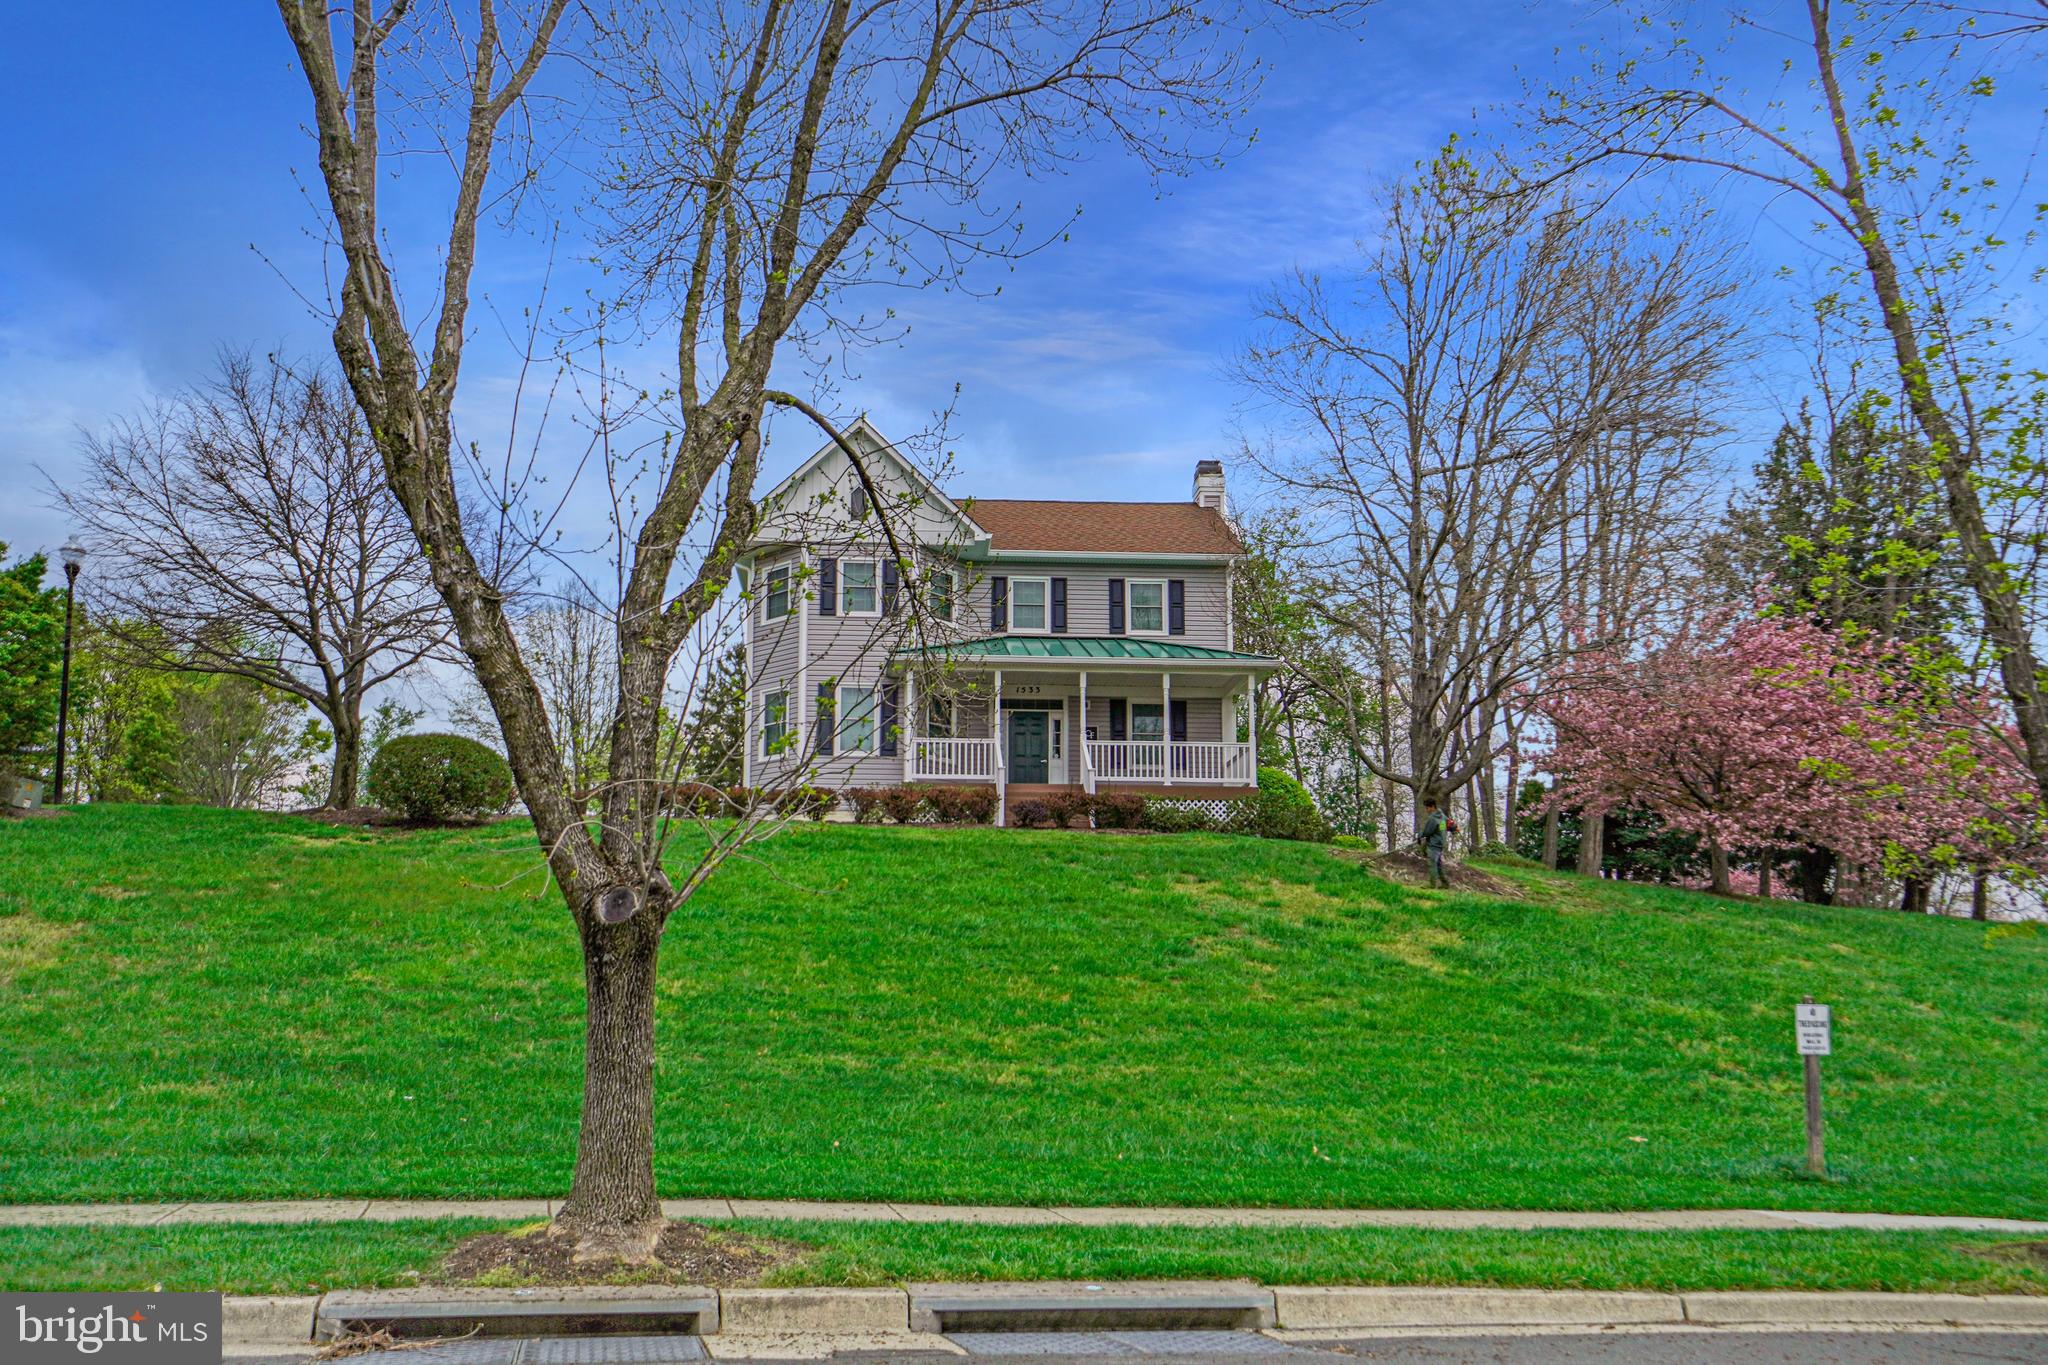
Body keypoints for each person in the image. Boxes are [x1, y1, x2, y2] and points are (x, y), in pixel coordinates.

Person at [1417, 797, 1456, 889]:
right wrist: (1453, 828)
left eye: (1427, 808)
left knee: (1432, 864)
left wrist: (1419, 836)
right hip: (1440, 843)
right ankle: (1445, 884)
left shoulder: (1433, 819)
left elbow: (1427, 832)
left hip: (1433, 844)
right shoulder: (1442, 816)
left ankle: (1432, 884)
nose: (1426, 810)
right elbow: (1448, 825)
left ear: (1432, 807)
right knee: (1438, 865)